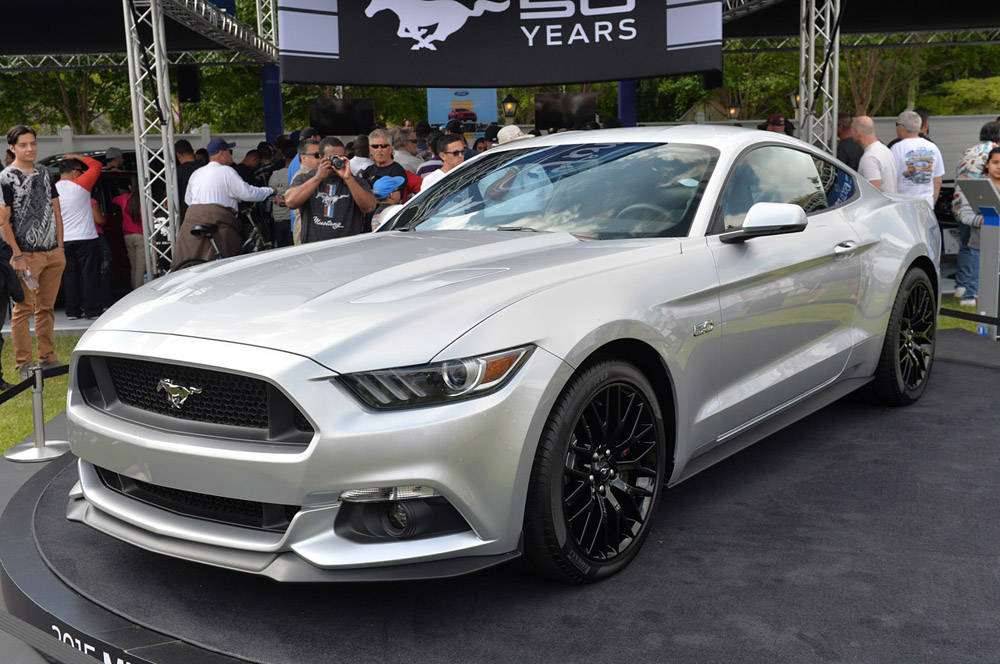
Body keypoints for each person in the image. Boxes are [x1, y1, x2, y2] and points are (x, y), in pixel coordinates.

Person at [0, 125, 66, 378]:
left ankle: (48, 357)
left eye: (33, 143)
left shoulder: (46, 173)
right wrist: (17, 255)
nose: (30, 149)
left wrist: (60, 246)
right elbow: (3, 222)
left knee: (46, 307)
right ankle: (23, 362)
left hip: (53, 253)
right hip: (25, 255)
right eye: (24, 145)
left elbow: (56, 212)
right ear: (12, 148)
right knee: (24, 309)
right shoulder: (6, 178)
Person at [173, 137, 275, 267]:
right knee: (230, 257)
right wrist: (270, 190)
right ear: (222, 153)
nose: (231, 155)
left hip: (193, 221)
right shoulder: (227, 171)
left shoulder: (197, 173)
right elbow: (249, 194)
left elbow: (189, 200)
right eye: (229, 151)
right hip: (219, 221)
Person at [284, 137, 376, 243]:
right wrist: (318, 177)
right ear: (320, 157)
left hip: (347, 250)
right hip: (314, 251)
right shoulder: (305, 178)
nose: (337, 160)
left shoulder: (356, 182)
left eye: (341, 157)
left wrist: (348, 178)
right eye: (332, 157)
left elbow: (369, 207)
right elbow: (291, 202)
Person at [951, 122, 1000, 306]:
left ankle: (963, 287)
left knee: (967, 245)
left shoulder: (968, 151)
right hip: (978, 211)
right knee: (977, 249)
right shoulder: (996, 150)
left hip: (961, 201)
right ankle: (973, 292)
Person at [55, 154, 103, 319]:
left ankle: (72, 310)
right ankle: (92, 310)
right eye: (81, 171)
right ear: (75, 172)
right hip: (86, 237)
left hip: (64, 239)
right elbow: (96, 165)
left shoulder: (53, 190)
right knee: (90, 274)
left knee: (70, 275)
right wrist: (76, 155)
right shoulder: (82, 185)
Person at [890, 110, 945, 209]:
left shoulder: (897, 148)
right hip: (926, 205)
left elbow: (892, 179)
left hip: (903, 206)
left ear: (902, 127)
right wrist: (931, 204)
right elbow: (937, 181)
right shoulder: (933, 147)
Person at [360, 129, 408, 215]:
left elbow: (394, 198)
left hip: (387, 218)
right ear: (370, 149)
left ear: (391, 148)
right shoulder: (368, 170)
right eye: (375, 146)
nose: (379, 150)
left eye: (384, 146)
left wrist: (368, 193)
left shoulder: (397, 170)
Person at [113, 177, 147, 289]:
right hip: (141, 236)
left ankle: (134, 290)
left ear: (130, 187)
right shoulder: (144, 201)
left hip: (127, 237)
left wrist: (125, 192)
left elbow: (114, 199)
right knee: (141, 267)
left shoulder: (124, 198)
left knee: (134, 267)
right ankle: (137, 292)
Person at [851, 116, 897, 193]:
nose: (851, 134)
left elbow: (874, 192)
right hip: (890, 202)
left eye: (852, 131)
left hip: (882, 204)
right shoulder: (885, 150)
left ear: (858, 132)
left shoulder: (870, 157)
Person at [268, 147, 296, 247]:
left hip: (277, 218)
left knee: (280, 248)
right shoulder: (296, 175)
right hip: (291, 219)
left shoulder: (274, 174)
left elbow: (270, 195)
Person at [175, 139, 201, 222]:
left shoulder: (176, 172)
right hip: (204, 211)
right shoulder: (204, 168)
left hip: (185, 214)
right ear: (193, 151)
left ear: (178, 155)